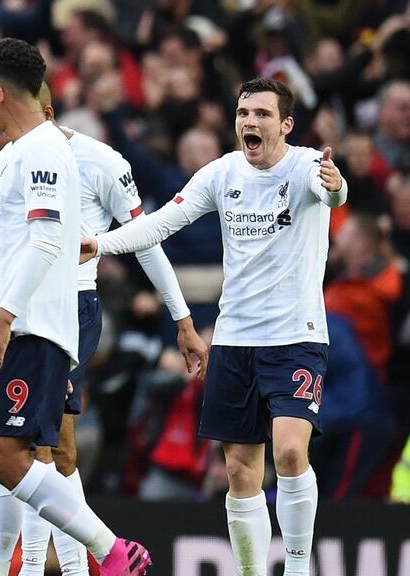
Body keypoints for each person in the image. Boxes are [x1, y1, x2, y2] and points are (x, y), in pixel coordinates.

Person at [81, 77, 348, 576]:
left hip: (297, 337)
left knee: (290, 453)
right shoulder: (222, 173)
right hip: (233, 339)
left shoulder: (308, 164)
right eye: (244, 112)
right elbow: (162, 222)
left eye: (263, 114)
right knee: (239, 468)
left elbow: (332, 192)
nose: (250, 121)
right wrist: (101, 242)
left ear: (285, 125)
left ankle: (295, 567)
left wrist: (335, 186)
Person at [0, 83, 208, 576]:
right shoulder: (9, 157)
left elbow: (147, 239)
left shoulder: (101, 161)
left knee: (51, 445)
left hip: (67, 307)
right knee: (2, 450)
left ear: (44, 109)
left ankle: (85, 563)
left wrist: (183, 319)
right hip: (11, 309)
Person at [0, 37, 152, 576]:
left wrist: (2, 320)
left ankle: (111, 552)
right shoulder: (16, 155)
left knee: (8, 456)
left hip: (31, 329)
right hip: (12, 328)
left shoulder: (44, 151)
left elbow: (48, 244)